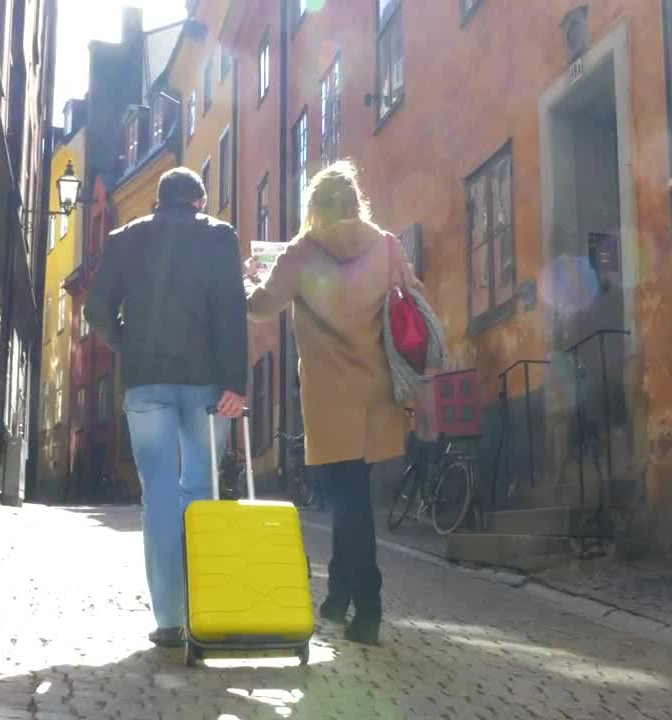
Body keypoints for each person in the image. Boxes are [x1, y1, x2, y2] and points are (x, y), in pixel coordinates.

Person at [244, 160, 421, 646]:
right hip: (376, 392)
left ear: (315, 207)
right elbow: (415, 298)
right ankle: (340, 594)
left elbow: (261, 307)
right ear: (355, 201)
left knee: (347, 501)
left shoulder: (303, 253)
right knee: (353, 495)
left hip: (328, 397)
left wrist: (247, 280)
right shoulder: (386, 246)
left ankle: (368, 604)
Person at [84, 167, 248, 648]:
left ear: (158, 202)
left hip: (146, 381)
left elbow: (96, 309)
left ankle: (169, 621)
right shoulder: (220, 237)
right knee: (199, 487)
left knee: (156, 493)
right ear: (199, 200)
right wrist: (236, 383)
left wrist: (125, 341)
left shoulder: (124, 238)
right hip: (208, 386)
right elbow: (232, 310)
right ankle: (202, 610)